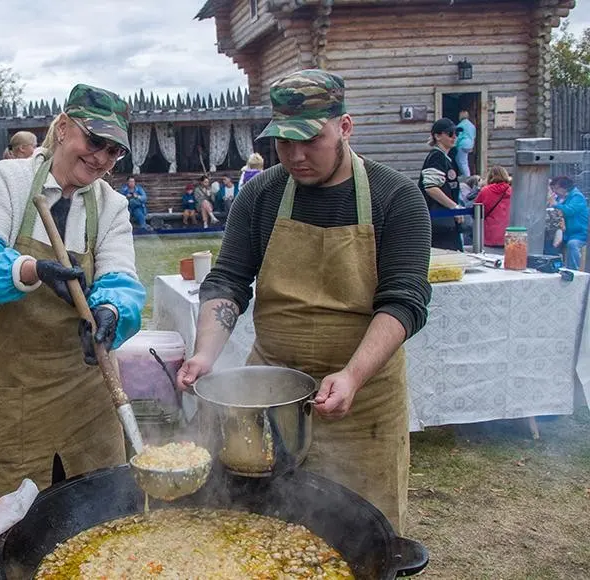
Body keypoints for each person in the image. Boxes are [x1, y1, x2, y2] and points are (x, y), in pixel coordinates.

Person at [177, 70, 431, 533]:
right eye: (283, 142)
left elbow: (405, 301)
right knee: (258, 529)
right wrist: (205, 354)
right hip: (266, 400)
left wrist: (353, 375)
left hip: (363, 402)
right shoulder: (261, 194)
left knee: (359, 533)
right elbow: (229, 281)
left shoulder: (396, 197)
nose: (295, 156)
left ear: (345, 127)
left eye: (310, 139)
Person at [0, 84, 146, 558]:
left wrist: (109, 312)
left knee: (100, 521)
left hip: (85, 389)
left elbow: (121, 277)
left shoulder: (111, 206)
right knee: (15, 534)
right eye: (93, 140)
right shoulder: (11, 181)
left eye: (113, 150)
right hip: (11, 388)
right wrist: (30, 269)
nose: (101, 157)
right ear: (62, 128)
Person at [419, 118, 463, 251]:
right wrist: (454, 207)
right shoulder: (436, 157)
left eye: (456, 134)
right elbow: (431, 188)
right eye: (450, 134)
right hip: (438, 222)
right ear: (437, 136)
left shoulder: (446, 158)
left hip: (445, 221)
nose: (454, 137)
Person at [549, 175, 588, 269]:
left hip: (579, 233)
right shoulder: (560, 198)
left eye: (556, 188)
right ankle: (553, 267)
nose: (554, 191)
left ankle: (574, 270)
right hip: (564, 233)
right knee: (549, 243)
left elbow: (569, 211)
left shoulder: (577, 197)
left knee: (572, 244)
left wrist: (555, 204)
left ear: (564, 188)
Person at [474, 166, 512, 248]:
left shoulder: (485, 191)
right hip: (508, 234)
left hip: (490, 234)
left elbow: (476, 210)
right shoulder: (512, 191)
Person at [454, 111, 476, 177]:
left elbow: (458, 136)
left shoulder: (460, 125)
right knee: (465, 160)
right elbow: (473, 135)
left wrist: (455, 145)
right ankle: (465, 174)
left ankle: (466, 176)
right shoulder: (472, 125)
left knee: (461, 161)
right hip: (470, 144)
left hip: (462, 144)